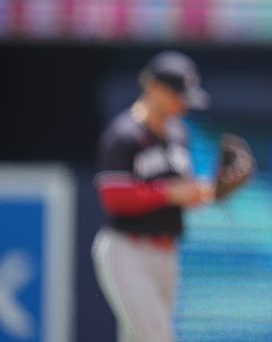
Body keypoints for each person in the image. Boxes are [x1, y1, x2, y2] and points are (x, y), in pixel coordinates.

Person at [91, 50, 215, 342]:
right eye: (177, 95)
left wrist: (212, 191)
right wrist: (170, 193)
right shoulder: (123, 134)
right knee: (158, 337)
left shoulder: (180, 135)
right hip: (128, 250)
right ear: (153, 86)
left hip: (167, 252)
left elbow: (185, 192)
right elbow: (113, 197)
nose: (182, 105)